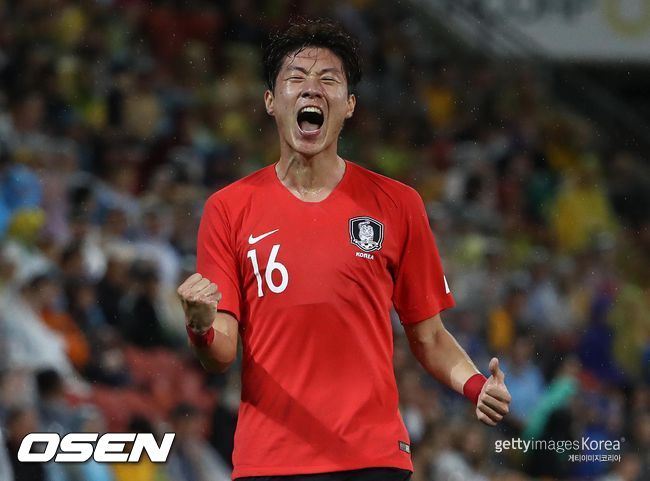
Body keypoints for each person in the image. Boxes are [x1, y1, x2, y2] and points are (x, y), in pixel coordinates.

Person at [176, 18, 511, 481]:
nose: (311, 88)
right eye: (296, 78)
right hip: (270, 459)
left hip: (372, 458)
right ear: (271, 101)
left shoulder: (398, 204)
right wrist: (200, 326)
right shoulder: (228, 209)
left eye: (328, 79)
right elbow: (221, 353)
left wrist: (475, 386)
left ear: (349, 105)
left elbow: (429, 337)